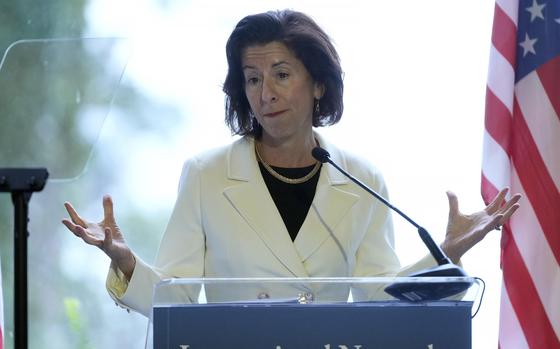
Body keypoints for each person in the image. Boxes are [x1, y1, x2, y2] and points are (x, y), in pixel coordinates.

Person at [62, 10, 520, 318]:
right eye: (253, 79)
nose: (266, 93)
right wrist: (125, 261)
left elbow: (379, 295)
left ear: (318, 84)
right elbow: (176, 297)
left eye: (282, 75)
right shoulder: (206, 174)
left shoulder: (362, 178)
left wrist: (448, 251)